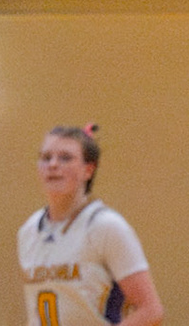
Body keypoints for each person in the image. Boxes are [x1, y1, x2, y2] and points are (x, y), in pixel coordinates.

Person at [20, 124, 165, 326]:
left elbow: (151, 311)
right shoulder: (29, 230)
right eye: (46, 157)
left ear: (88, 169)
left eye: (65, 158)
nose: (53, 165)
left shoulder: (106, 227)